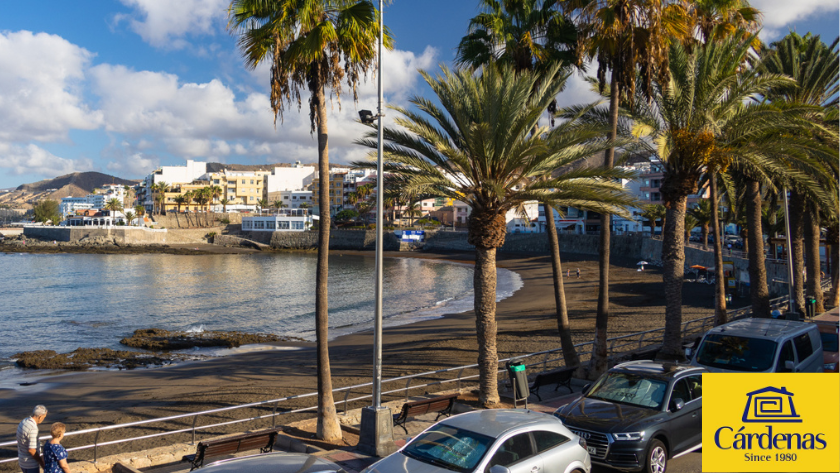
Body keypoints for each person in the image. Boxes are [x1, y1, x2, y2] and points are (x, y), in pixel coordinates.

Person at [17, 405, 47, 473]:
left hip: (22, 461)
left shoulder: (24, 421)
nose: (43, 419)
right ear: (40, 417)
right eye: (44, 417)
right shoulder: (33, 428)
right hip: (31, 464)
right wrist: (41, 462)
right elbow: (31, 450)